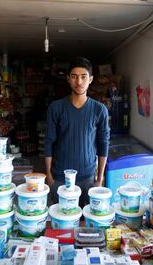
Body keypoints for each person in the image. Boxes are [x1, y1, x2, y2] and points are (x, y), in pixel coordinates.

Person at [44, 57, 110, 207]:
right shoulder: (56, 108)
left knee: (85, 222)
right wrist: (49, 176)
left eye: (83, 76)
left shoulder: (100, 110)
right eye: (74, 76)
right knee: (62, 220)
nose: (79, 82)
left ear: (91, 79)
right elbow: (49, 141)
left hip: (88, 178)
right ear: (68, 79)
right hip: (60, 177)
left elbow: (103, 144)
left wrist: (99, 179)